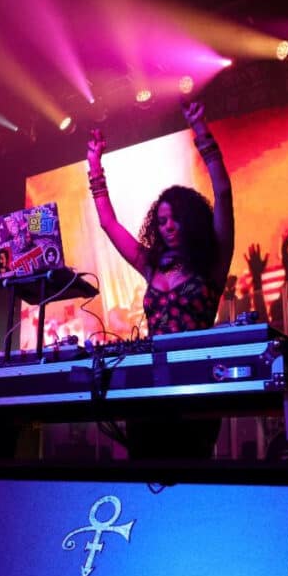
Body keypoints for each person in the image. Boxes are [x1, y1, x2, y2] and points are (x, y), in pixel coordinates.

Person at [86, 100, 233, 458]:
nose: (168, 227)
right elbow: (109, 224)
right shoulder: (151, 266)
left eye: (176, 219)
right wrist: (94, 166)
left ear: (192, 221)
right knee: (144, 470)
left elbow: (224, 194)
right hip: (151, 384)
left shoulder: (211, 264)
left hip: (195, 384)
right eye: (163, 221)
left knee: (190, 473)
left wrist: (202, 133)